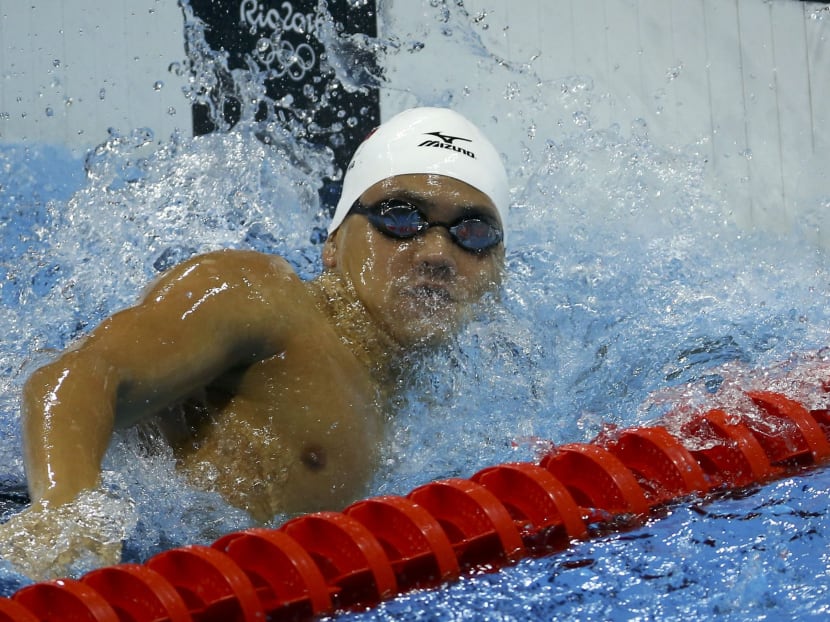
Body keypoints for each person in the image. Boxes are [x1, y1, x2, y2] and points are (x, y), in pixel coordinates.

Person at [0, 107, 510, 578]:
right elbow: (72, 379)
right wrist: (64, 509)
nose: (437, 253)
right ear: (333, 243)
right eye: (401, 218)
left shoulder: (450, 391)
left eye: (473, 232)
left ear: (499, 268)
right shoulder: (258, 298)